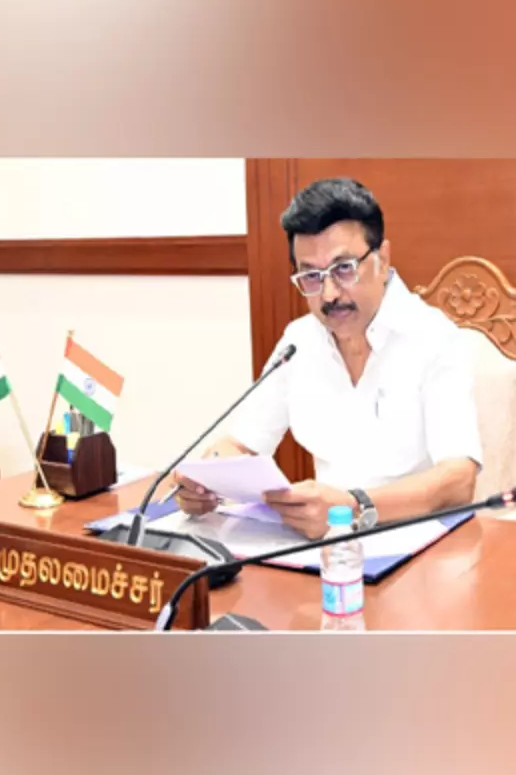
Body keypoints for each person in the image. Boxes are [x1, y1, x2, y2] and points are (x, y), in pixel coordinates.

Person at [174, 178, 483, 539]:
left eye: (343, 268)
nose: (329, 294)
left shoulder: (435, 338)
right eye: (311, 276)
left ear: (382, 259)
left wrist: (354, 507)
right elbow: (240, 444)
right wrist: (204, 481)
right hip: (325, 550)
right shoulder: (298, 343)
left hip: (422, 546)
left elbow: (459, 480)